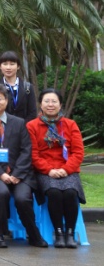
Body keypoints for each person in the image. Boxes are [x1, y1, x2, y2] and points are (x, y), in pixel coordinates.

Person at [0, 83, 47, 248]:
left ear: (6, 101)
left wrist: (17, 174)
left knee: (22, 198)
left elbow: (26, 150)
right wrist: (1, 174)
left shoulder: (19, 123)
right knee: (1, 192)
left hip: (20, 174)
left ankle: (34, 235)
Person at [27, 89, 85, 249]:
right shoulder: (32, 126)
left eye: (54, 101)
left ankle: (70, 234)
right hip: (45, 171)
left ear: (60, 105)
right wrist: (49, 170)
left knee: (71, 192)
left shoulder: (70, 125)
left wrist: (66, 169)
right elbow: (33, 154)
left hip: (68, 170)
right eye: (46, 101)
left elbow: (78, 152)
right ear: (41, 104)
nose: (50, 104)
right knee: (54, 192)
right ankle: (58, 233)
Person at [0, 51, 39, 122]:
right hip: (2, 126)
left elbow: (32, 113)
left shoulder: (27, 87)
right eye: (5, 64)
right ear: (0, 66)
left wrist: (21, 126)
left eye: (12, 64)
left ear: (18, 66)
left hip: (24, 126)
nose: (8, 67)